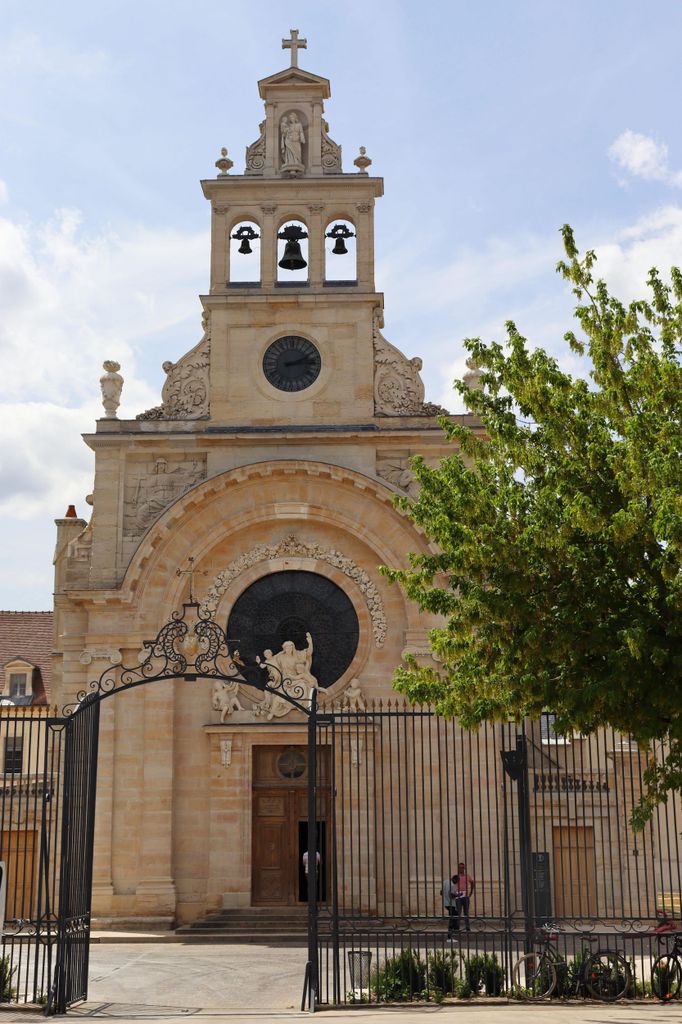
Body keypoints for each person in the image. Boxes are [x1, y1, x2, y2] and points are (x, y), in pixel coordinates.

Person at [452, 861, 475, 931]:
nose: (461, 869)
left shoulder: (467, 876)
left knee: (466, 912)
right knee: (458, 912)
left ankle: (467, 927)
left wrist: (471, 891)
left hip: (465, 896)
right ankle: (457, 927)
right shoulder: (456, 876)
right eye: (460, 868)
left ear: (464, 868)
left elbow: (472, 882)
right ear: (458, 869)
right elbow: (452, 884)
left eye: (462, 868)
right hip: (458, 896)